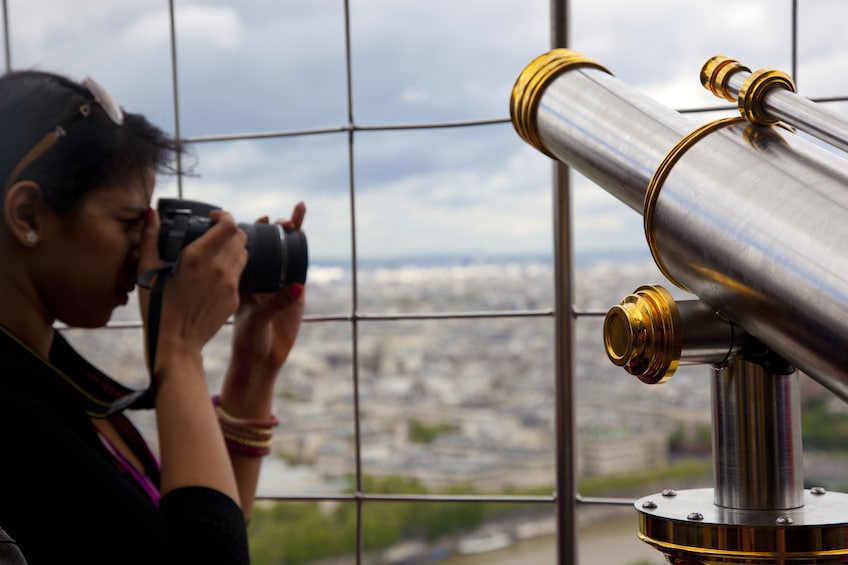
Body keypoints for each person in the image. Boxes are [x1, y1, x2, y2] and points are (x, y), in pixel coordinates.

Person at [0, 69, 306, 564]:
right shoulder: (15, 409)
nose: (146, 247)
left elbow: (198, 533)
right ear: (29, 214)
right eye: (129, 222)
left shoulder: (39, 367)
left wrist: (252, 370)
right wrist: (179, 350)